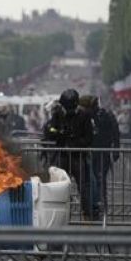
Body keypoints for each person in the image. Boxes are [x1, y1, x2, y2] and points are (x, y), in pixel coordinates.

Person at [44, 89, 96, 220]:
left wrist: (74, 141)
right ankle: (59, 215)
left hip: (78, 156)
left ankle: (87, 215)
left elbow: (89, 138)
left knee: (83, 187)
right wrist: (58, 132)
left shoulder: (84, 116)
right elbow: (49, 132)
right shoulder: (58, 114)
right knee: (59, 187)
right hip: (62, 155)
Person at [79, 95, 120, 215]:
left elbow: (115, 133)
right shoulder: (85, 117)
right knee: (89, 181)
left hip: (102, 153)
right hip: (89, 153)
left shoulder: (106, 116)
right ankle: (91, 206)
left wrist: (116, 150)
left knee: (100, 181)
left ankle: (101, 206)